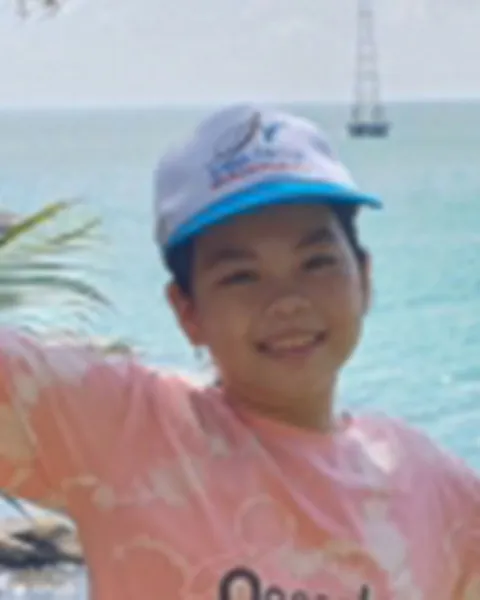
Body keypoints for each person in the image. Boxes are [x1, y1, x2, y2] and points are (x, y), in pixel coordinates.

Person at [0, 104, 478, 600]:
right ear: (187, 311)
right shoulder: (126, 428)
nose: (288, 300)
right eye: (241, 276)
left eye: (316, 262)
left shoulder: (435, 491)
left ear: (364, 277)